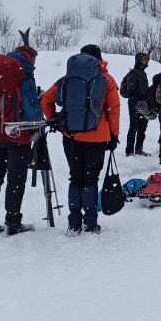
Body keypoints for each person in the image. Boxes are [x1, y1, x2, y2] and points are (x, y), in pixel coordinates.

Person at [41, 44, 121, 236]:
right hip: (98, 138)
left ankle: (74, 223)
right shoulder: (106, 80)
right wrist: (113, 135)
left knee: (75, 178)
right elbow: (113, 110)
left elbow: (45, 100)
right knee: (90, 180)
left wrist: (55, 120)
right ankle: (91, 223)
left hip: (71, 136)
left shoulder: (67, 79)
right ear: (99, 59)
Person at [0, 44, 42, 235]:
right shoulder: (22, 76)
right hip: (17, 135)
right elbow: (33, 114)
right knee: (15, 180)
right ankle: (13, 222)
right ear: (30, 58)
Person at [123, 52, 152, 157]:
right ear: (139, 60)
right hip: (134, 104)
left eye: (147, 60)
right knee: (134, 127)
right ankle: (129, 151)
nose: (146, 62)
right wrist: (140, 97)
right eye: (145, 59)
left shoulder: (143, 74)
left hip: (143, 104)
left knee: (142, 127)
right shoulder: (133, 74)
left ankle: (139, 149)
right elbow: (131, 91)